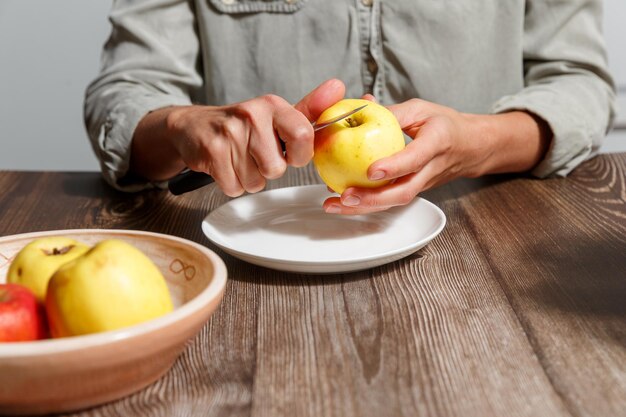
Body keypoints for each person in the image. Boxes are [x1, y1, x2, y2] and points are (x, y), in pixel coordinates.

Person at [84, 0, 615, 215]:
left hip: (485, 236)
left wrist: (480, 144)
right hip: (259, 248)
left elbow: (578, 80)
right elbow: (127, 91)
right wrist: (179, 126)